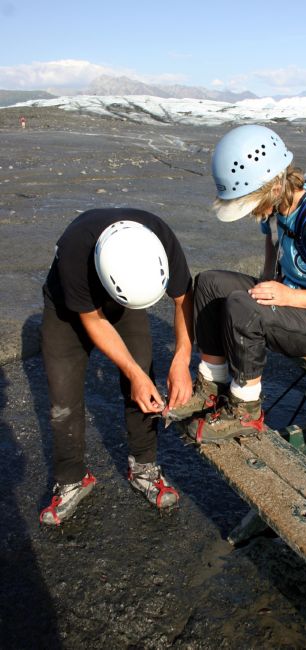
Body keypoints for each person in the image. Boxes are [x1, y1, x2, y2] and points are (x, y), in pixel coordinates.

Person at [169, 124, 306, 443]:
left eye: (250, 201)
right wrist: (267, 280)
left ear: (274, 186)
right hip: (295, 300)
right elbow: (272, 240)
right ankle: (211, 386)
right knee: (208, 284)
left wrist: (288, 297)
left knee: (243, 307)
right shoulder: (277, 207)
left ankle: (246, 409)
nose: (250, 212)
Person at [39, 208, 193, 525]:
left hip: (124, 297)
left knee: (144, 379)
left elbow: (183, 299)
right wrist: (132, 373)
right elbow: (93, 320)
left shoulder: (159, 235)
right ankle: (72, 479)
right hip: (67, 306)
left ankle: (144, 468)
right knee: (63, 398)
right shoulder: (74, 250)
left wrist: (182, 358)